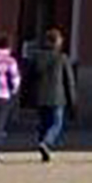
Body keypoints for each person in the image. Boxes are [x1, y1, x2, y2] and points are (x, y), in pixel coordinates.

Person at [23, 27, 77, 161]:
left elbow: (28, 77)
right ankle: (46, 143)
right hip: (58, 98)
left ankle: (43, 146)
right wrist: (73, 101)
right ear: (57, 42)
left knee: (43, 122)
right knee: (56, 123)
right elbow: (69, 81)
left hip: (40, 96)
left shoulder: (36, 57)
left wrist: (25, 95)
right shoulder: (62, 58)